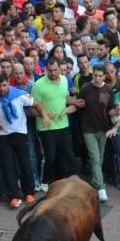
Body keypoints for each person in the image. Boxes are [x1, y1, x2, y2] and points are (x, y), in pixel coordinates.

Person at [0, 74, 49, 209]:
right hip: (3, 137)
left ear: (9, 83)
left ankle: (29, 193)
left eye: (4, 85)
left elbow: (36, 104)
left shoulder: (20, 95)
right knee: (8, 167)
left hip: (20, 134)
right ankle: (13, 196)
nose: (1, 88)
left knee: (25, 164)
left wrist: (44, 116)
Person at [31, 57, 78, 186]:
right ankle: (45, 182)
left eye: (55, 70)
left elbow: (64, 98)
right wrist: (44, 115)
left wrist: (74, 101)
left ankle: (67, 181)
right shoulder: (38, 85)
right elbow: (32, 110)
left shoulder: (64, 80)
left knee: (67, 154)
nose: (53, 73)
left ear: (59, 68)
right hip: (46, 128)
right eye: (50, 70)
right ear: (45, 69)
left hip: (63, 124)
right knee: (50, 157)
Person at [78, 67, 115, 202]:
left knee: (100, 158)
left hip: (103, 128)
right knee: (95, 158)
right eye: (95, 76)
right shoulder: (86, 88)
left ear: (104, 76)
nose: (97, 78)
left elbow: (110, 110)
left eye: (100, 76)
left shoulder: (109, 90)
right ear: (92, 75)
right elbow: (78, 103)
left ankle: (95, 179)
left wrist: (117, 112)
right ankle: (101, 188)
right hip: (88, 128)